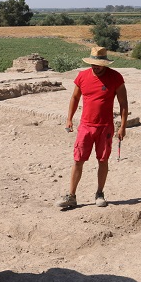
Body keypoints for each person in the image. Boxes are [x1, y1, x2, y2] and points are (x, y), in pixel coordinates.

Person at [56, 47, 128, 209]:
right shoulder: (82, 76)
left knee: (103, 160)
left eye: (99, 64)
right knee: (78, 160)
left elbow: (123, 103)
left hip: (105, 127)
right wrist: (69, 118)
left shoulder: (116, 77)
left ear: (105, 63)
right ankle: (71, 196)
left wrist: (123, 126)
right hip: (86, 126)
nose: (96, 67)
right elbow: (75, 97)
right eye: (94, 64)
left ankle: (99, 193)